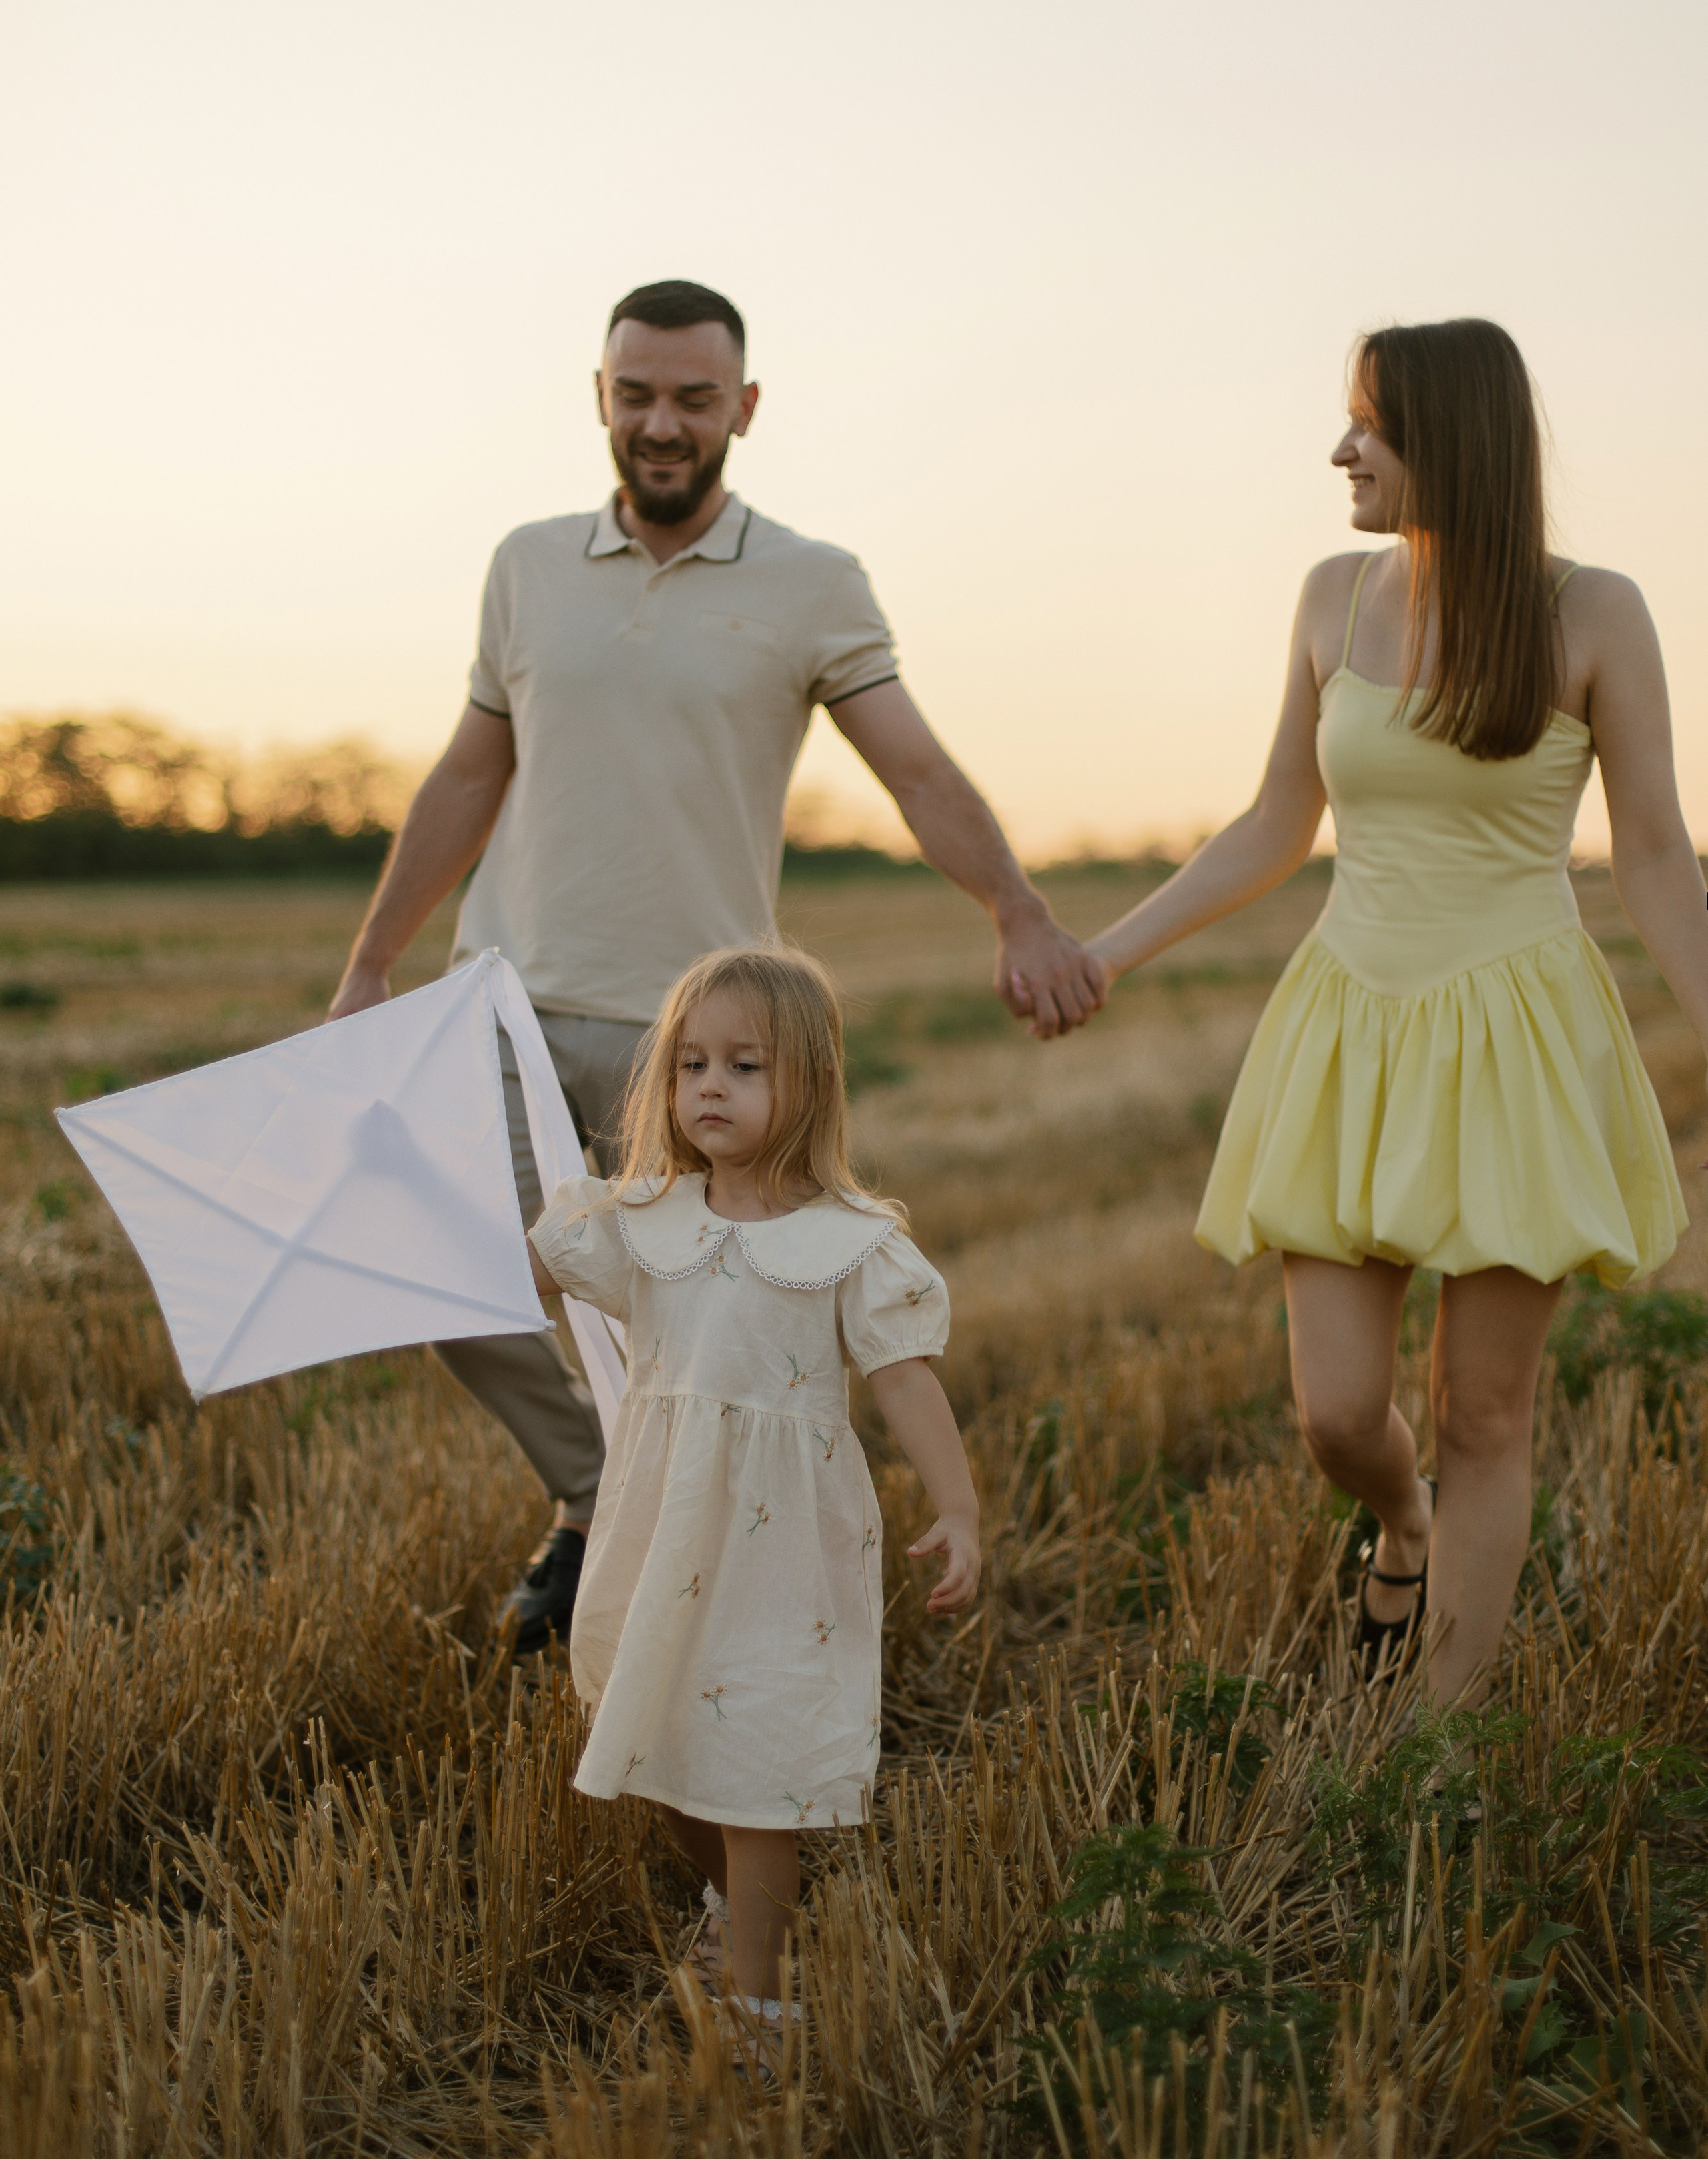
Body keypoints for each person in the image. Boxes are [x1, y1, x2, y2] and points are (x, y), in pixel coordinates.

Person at [328, 278, 1103, 1655]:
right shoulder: (524, 563)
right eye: (636, 396)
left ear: (742, 409)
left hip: (693, 1038)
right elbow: (467, 770)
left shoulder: (812, 582)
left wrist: (1019, 911)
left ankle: (680, 1591)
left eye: (693, 399)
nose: (662, 424)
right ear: (601, 400)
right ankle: (601, 1496)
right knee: (446, 1280)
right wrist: (372, 959)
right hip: (497, 1004)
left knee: (698, 1332)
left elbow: (913, 769)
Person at [1082, 316, 1706, 1709]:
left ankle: (1432, 1742)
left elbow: (1655, 855)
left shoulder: (1594, 612)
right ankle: (1397, 1522)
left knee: (1481, 1412)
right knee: (1336, 1411)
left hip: (1520, 1040)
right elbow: (1267, 825)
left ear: (1450, 439)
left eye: (1365, 424)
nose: (1339, 450)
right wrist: (1105, 953)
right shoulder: (1328, 595)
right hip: (1349, 1026)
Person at [526, 943, 979, 2058]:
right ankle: (734, 1903)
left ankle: (761, 1997)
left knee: (759, 1758)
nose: (709, 1088)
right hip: (658, 1523)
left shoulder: (850, 1244)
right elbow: (529, 1271)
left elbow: (905, 1382)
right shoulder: (647, 1220)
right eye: (689, 1065)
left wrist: (961, 1509)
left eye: (744, 1066)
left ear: (810, 1087)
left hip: (782, 1545)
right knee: (660, 1728)